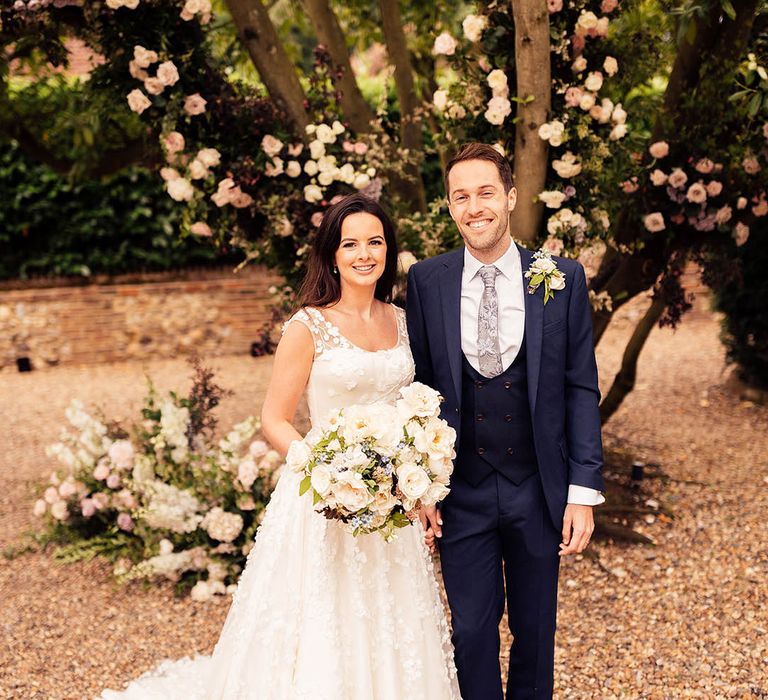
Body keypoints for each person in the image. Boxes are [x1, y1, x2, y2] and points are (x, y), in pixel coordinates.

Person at [99, 193, 461, 699]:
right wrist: (327, 471)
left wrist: (419, 483)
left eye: (375, 242)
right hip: (326, 497)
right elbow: (274, 418)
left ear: (388, 250)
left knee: (391, 618)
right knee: (324, 621)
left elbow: (412, 412)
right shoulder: (307, 325)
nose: (364, 254)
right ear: (331, 254)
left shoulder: (402, 321)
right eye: (350, 243)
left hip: (392, 504)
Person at [407, 143, 605, 700]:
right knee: (470, 633)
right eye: (461, 196)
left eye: (485, 192)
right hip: (461, 490)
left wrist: (583, 490)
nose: (475, 207)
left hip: (538, 489)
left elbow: (580, 387)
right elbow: (416, 387)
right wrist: (421, 482)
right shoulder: (426, 282)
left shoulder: (561, 278)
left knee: (535, 631)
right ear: (449, 208)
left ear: (511, 197)